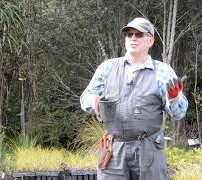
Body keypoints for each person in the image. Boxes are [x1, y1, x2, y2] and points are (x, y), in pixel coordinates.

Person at [80, 17, 188, 180]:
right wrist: (93, 101)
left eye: (138, 34)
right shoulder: (107, 68)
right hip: (113, 150)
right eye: (129, 35)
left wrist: (173, 99)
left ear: (150, 40)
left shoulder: (163, 72)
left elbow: (178, 113)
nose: (133, 38)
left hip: (149, 150)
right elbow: (85, 98)